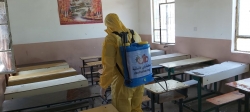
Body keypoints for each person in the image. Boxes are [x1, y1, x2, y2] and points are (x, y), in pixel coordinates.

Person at [99, 13, 144, 112]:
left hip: (122, 82)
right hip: (138, 79)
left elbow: (109, 65)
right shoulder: (134, 33)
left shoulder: (111, 38)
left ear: (108, 24)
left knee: (122, 108)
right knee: (136, 108)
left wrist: (104, 85)